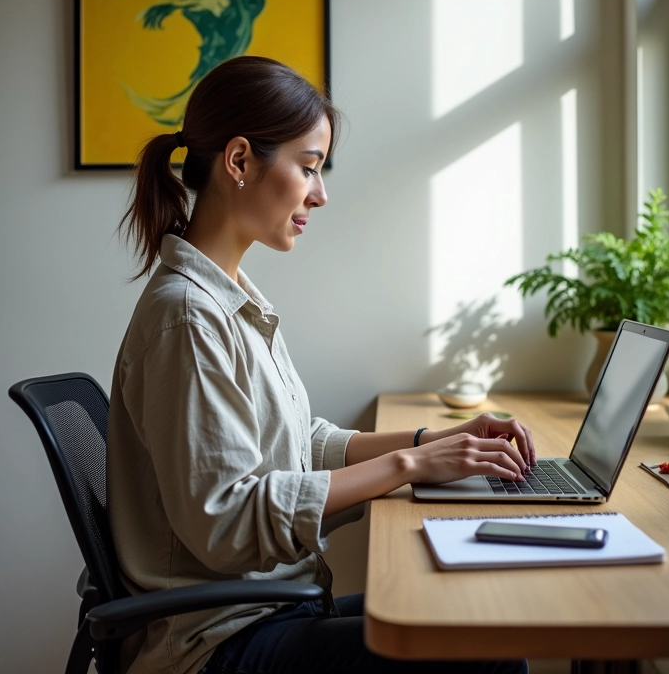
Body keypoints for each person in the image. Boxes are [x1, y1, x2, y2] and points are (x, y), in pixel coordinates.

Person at [108, 55, 534, 674]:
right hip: (218, 644)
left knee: (475, 611)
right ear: (239, 161)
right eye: (308, 168)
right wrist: (410, 465)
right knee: (486, 651)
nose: (321, 194)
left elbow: (299, 444)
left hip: (270, 609)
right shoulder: (189, 319)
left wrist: (435, 441)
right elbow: (226, 522)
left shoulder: (230, 299)